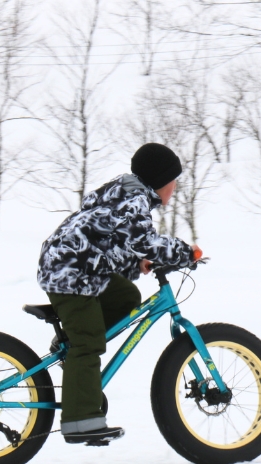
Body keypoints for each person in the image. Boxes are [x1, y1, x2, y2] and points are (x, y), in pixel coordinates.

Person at [37, 143, 201, 445]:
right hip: (71, 271)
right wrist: (184, 252)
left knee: (126, 298)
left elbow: (109, 239)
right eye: (173, 180)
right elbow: (145, 240)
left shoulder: (124, 193)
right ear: (160, 180)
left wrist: (136, 262)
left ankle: (71, 343)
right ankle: (81, 421)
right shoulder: (134, 200)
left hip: (78, 265)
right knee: (88, 342)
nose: (175, 187)